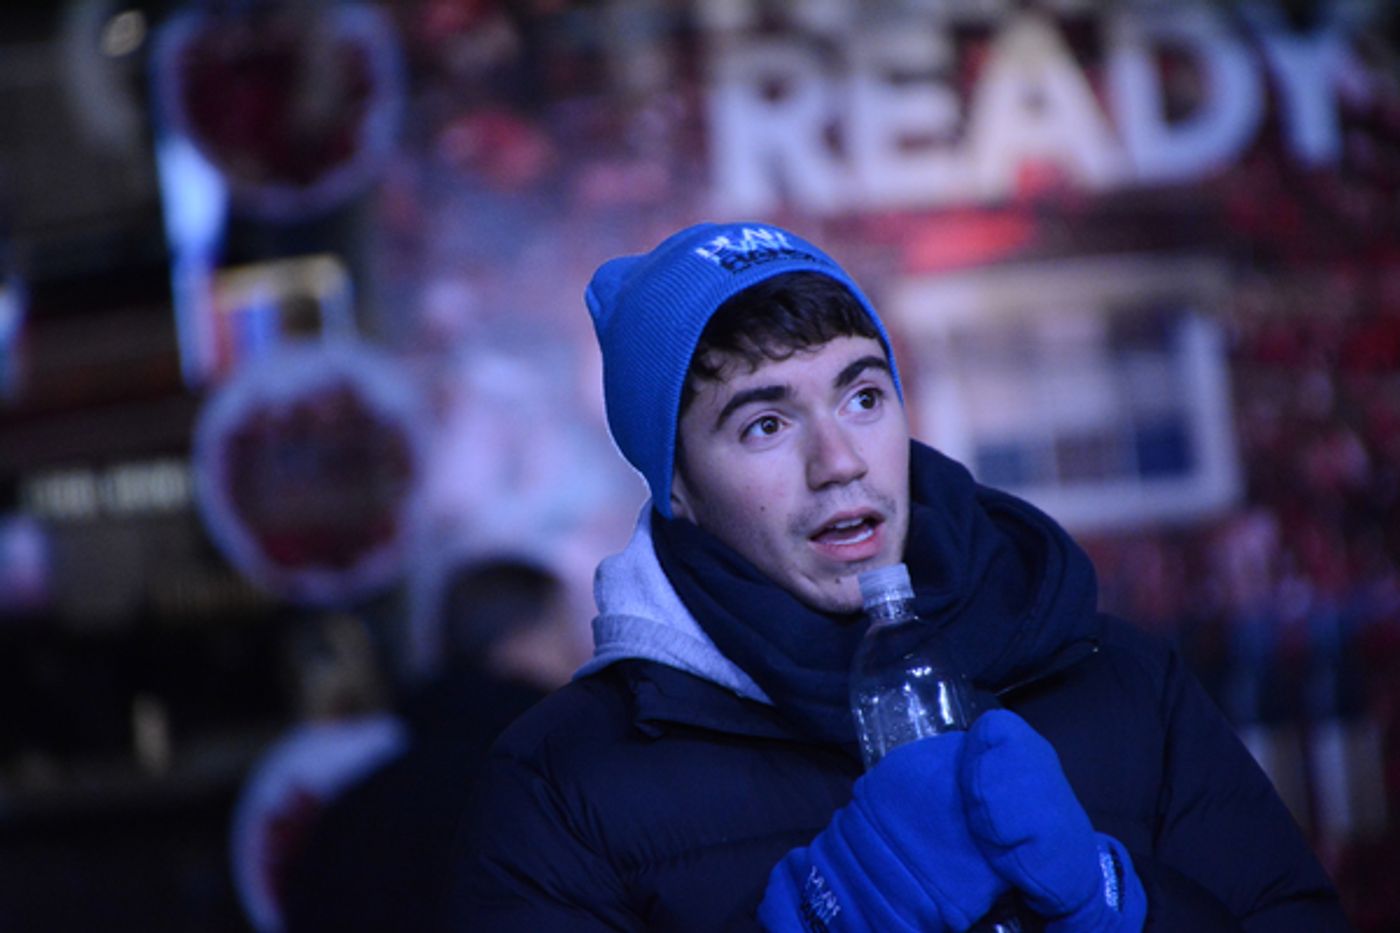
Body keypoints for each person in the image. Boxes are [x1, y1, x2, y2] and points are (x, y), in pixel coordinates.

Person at [449, 221, 1351, 931]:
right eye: (765, 424)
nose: (839, 460)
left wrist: (1120, 900)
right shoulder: (564, 782)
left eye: (863, 395)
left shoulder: (1116, 676)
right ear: (676, 484)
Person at [282, 556, 582, 933]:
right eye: (567, 638)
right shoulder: (557, 797)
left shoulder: (353, 808)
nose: (582, 658)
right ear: (520, 645)